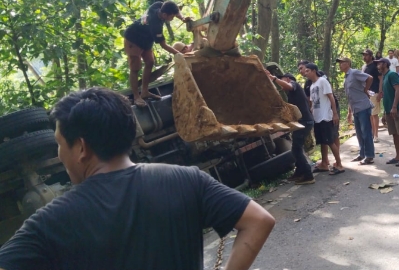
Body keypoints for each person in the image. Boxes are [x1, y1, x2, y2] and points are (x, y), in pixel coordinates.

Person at [0, 87, 274, 270]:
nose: (60, 155)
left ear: (81, 148)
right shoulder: (185, 179)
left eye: (60, 144)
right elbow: (259, 221)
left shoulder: (49, 222)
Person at [123, 1, 189, 108]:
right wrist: (181, 55)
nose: (172, 19)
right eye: (171, 17)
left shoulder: (158, 5)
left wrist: (182, 18)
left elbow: (173, 9)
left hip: (146, 39)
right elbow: (164, 45)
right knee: (135, 68)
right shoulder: (155, 24)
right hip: (133, 39)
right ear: (164, 15)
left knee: (150, 62)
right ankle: (136, 97)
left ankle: (144, 91)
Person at [267, 72, 315, 185]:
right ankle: (299, 173)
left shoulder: (294, 85)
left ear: (288, 79)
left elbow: (289, 85)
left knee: (296, 149)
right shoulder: (291, 94)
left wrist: (274, 78)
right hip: (302, 122)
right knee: (296, 148)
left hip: (304, 122)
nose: (282, 86)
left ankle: (308, 175)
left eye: (283, 81)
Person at [297, 60, 341, 168]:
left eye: (307, 71)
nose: (305, 73)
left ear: (314, 71)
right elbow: (312, 102)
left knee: (330, 141)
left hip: (325, 117)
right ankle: (324, 164)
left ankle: (339, 164)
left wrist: (335, 113)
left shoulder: (322, 81)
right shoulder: (311, 86)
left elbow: (331, 97)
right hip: (317, 118)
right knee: (322, 142)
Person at [337, 57, 375, 165]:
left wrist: (365, 89)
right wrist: (349, 112)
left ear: (348, 63)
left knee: (366, 132)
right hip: (355, 108)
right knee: (359, 133)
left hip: (363, 106)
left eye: (342, 63)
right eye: (339, 63)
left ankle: (369, 156)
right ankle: (362, 153)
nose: (340, 65)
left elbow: (370, 78)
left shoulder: (354, 73)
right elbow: (350, 96)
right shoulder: (346, 77)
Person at [377, 58, 399, 167]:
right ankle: (398, 156)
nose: (377, 65)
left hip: (397, 108)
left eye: (379, 63)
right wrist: (384, 113)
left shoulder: (392, 75)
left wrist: (395, 106)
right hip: (389, 110)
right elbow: (386, 96)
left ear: (385, 64)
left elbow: (398, 90)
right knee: (394, 134)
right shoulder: (384, 76)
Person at [362, 49, 382, 143]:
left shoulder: (374, 66)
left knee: (374, 114)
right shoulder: (364, 67)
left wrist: (380, 91)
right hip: (366, 93)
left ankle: (376, 135)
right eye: (363, 55)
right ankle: (371, 133)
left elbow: (381, 79)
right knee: (369, 114)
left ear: (370, 56)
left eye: (366, 55)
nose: (364, 57)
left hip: (374, 92)